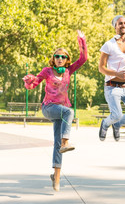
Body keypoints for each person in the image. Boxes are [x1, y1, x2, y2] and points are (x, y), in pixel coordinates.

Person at [22, 30, 88, 191]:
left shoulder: (68, 71)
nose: (60, 59)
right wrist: (30, 80)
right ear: (54, 59)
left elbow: (83, 58)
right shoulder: (47, 71)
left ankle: (56, 179)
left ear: (66, 60)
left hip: (61, 112)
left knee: (57, 144)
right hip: (49, 107)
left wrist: (82, 40)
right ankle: (66, 141)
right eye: (57, 56)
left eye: (63, 57)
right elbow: (35, 82)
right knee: (69, 111)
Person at [98, 15, 125, 142]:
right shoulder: (108, 45)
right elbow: (101, 68)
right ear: (115, 26)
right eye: (120, 23)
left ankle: (116, 124)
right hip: (112, 86)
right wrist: (117, 74)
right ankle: (105, 124)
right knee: (116, 114)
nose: (123, 25)